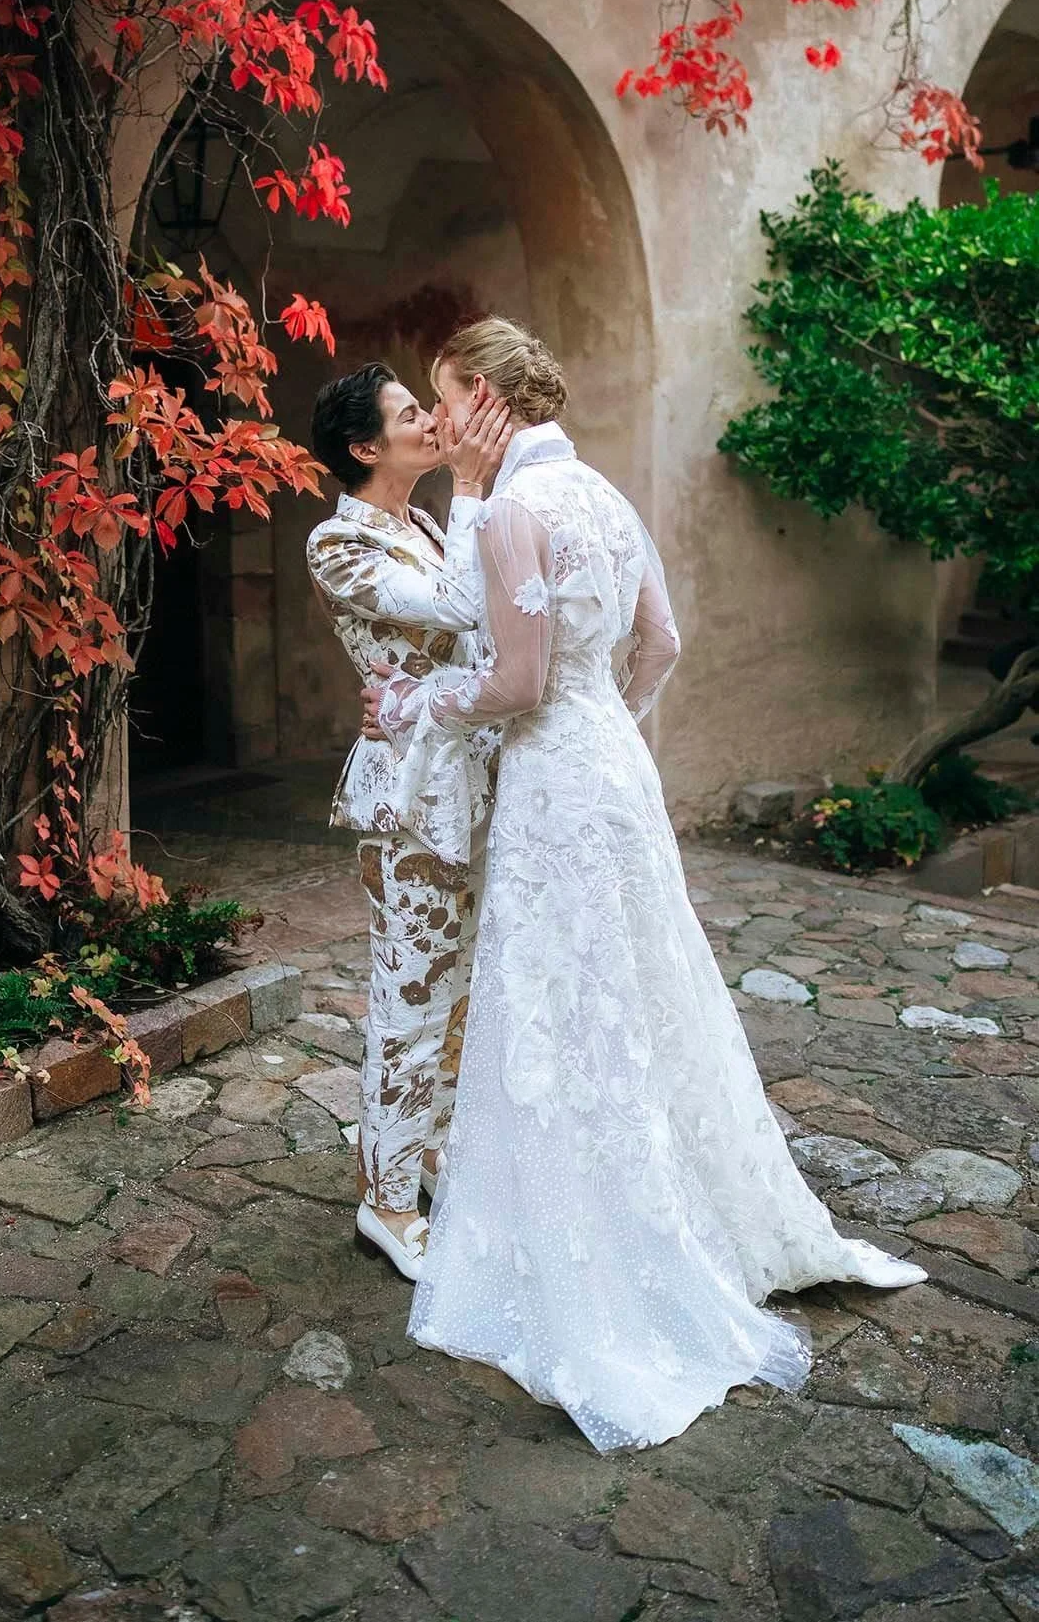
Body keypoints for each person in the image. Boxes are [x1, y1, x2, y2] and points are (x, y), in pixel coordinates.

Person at [364, 317, 925, 1452]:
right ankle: (701, 1209)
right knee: (647, 991)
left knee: (563, 1008)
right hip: (612, 767)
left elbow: (516, 681)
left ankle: (601, 1254)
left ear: (487, 396)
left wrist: (421, 703)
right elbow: (661, 640)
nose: (442, 423)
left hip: (555, 783)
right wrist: (601, 715)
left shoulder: (520, 508)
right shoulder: (604, 498)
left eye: (448, 397)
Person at [305, 361, 511, 1282]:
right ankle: (383, 1202)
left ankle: (424, 1154)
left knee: (459, 992)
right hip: (412, 798)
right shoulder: (336, 546)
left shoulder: (426, 524)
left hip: (467, 774)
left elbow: (479, 638)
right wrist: (473, 482)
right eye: (408, 413)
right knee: (410, 998)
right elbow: (459, 608)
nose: (432, 419)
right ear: (364, 447)